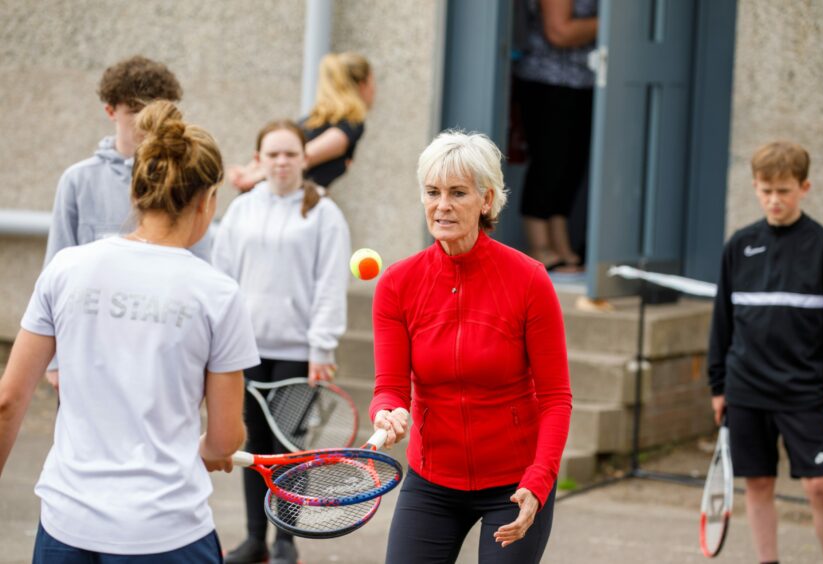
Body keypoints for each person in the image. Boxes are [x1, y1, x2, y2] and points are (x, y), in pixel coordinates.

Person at [0, 100, 259, 562]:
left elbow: (7, 402)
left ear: (137, 193)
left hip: (65, 527)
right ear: (206, 200)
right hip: (167, 532)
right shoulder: (218, 295)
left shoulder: (66, 268)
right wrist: (209, 448)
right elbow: (224, 439)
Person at [370, 130, 572, 563]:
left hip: (515, 482)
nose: (442, 205)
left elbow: (556, 399)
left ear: (487, 200)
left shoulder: (529, 279)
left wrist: (538, 483)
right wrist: (387, 411)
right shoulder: (396, 284)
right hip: (432, 479)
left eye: (457, 193)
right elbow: (388, 386)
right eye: (433, 192)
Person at [212, 119, 351, 564]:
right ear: (260, 160)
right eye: (272, 154)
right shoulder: (242, 210)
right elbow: (222, 281)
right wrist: (216, 346)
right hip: (244, 353)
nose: (282, 161)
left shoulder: (323, 213)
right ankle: (256, 540)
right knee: (252, 451)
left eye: (290, 153)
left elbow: (330, 285)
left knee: (289, 451)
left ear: (304, 158)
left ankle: (286, 539)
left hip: (297, 355)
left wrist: (321, 348)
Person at [708, 141, 823, 564]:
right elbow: (722, 320)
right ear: (754, 187)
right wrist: (719, 385)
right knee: (759, 483)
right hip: (746, 387)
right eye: (766, 190)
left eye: (784, 191)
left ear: (804, 187)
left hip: (804, 390)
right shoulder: (740, 244)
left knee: (818, 486)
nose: (774, 200)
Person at [43, 55, 212, 389]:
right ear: (111, 111)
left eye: (154, 109)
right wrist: (56, 357)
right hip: (87, 348)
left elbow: (201, 267)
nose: (145, 121)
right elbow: (55, 271)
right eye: (134, 110)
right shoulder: (78, 180)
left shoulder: (185, 180)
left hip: (157, 351)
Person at [513, 0, 598, 271]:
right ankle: (539, 246)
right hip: (547, 81)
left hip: (583, 80)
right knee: (549, 162)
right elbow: (558, 32)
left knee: (572, 165)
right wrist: (611, 25)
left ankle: (560, 244)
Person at [228, 52, 375, 192]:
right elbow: (306, 155)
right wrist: (252, 175)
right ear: (363, 84)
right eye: (373, 84)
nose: (374, 91)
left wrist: (249, 171)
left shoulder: (312, 120)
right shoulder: (350, 125)